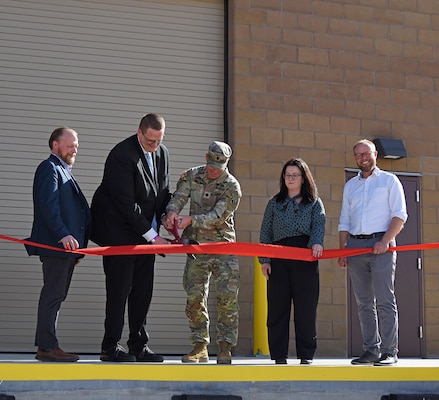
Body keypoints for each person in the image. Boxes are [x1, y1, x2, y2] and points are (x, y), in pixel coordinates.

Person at [90, 113, 170, 362]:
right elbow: (126, 204)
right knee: (119, 290)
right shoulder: (121, 155)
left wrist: (169, 215)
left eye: (158, 141)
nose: (154, 146)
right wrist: (153, 237)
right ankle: (110, 345)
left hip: (146, 234)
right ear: (139, 133)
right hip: (120, 233)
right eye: (150, 141)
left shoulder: (162, 152)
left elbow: (162, 192)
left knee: (143, 290)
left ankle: (138, 344)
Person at [163, 141, 241, 364]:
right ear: (206, 157)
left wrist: (190, 220)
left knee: (227, 298)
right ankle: (199, 346)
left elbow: (218, 216)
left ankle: (225, 347)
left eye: (218, 167)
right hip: (196, 246)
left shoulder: (232, 187)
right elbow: (179, 197)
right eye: (210, 165)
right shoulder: (193, 175)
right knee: (194, 296)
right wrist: (171, 213)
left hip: (222, 247)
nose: (213, 170)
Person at [338, 139, 408, 366]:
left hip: (381, 246)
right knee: (364, 302)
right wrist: (343, 251)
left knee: (385, 300)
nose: (363, 158)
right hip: (356, 247)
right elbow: (344, 221)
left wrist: (385, 240)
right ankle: (371, 351)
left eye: (366, 153)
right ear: (355, 158)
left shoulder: (389, 181)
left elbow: (400, 216)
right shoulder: (351, 186)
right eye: (358, 155)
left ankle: (390, 351)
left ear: (375, 154)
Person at [25, 127, 91, 362]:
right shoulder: (49, 168)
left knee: (57, 295)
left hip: (68, 250)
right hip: (56, 246)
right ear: (55, 145)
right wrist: (63, 235)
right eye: (70, 144)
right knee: (53, 294)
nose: (75, 148)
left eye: (76, 145)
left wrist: (78, 249)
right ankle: (47, 346)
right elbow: (48, 206)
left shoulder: (64, 170)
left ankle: (47, 343)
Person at [259, 158, 325, 365]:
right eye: (287, 175)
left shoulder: (314, 202)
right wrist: (265, 260)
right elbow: (265, 232)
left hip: (305, 257)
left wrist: (316, 243)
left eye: (295, 175)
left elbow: (318, 225)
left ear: (303, 178)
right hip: (279, 258)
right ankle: (279, 356)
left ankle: (306, 355)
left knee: (305, 308)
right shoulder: (274, 203)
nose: (290, 178)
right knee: (278, 308)